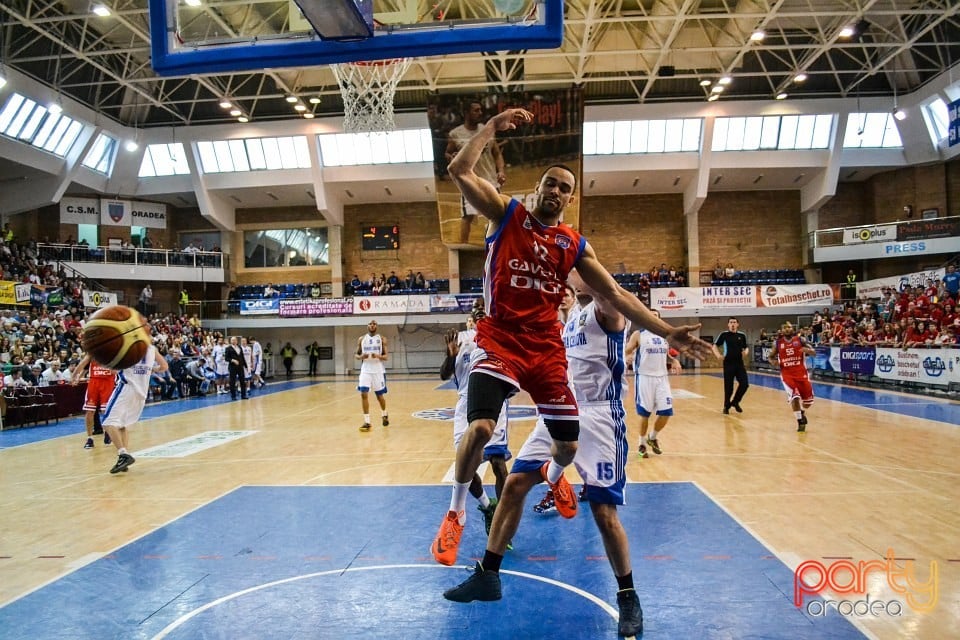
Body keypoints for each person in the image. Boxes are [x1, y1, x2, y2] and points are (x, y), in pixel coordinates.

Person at [435, 107, 716, 601]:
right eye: (549, 182)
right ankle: (459, 518)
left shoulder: (575, 248)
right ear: (537, 187)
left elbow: (622, 297)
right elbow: (459, 171)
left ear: (571, 197)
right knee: (481, 430)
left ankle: (558, 479)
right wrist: (489, 129)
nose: (556, 190)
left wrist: (670, 333)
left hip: (550, 360)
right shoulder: (508, 215)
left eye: (565, 186)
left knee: (568, 456)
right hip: (501, 340)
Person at [445, 279, 644, 637]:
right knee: (515, 484)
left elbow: (608, 293)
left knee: (603, 513)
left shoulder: (607, 311)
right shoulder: (563, 325)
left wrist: (585, 269)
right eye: (564, 282)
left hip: (600, 418)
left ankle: (628, 595)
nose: (567, 283)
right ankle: (488, 573)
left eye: (575, 278)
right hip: (560, 411)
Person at [438, 309, 510, 546]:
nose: (478, 316)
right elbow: (443, 374)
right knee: (466, 466)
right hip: (464, 406)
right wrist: (451, 355)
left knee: (499, 465)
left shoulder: (501, 337)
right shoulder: (460, 342)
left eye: (483, 312)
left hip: (494, 403)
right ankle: (488, 507)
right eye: (474, 314)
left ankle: (501, 522)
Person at [445, 100, 506, 244]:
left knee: (501, 215)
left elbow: (497, 153)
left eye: (480, 110)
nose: (480, 113)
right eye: (476, 110)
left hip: (491, 180)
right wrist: (451, 157)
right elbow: (448, 153)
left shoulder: (486, 130)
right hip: (469, 181)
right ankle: (462, 250)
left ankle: (502, 244)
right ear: (466, 113)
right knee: (467, 217)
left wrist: (501, 171)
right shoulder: (455, 133)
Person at [101, 343, 168, 474]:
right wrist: (151, 369)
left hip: (126, 388)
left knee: (108, 423)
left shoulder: (125, 347)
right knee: (122, 426)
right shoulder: (151, 348)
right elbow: (164, 366)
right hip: (141, 393)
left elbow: (114, 370)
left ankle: (122, 453)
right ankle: (124, 459)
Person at [625, 311, 682, 458]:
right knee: (645, 414)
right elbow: (627, 349)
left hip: (662, 378)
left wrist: (674, 360)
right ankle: (642, 443)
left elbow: (665, 354)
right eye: (650, 315)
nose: (653, 317)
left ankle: (652, 437)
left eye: (656, 315)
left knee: (666, 412)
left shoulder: (664, 336)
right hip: (644, 378)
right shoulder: (638, 334)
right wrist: (627, 355)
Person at [768, 322, 816, 432]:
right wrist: (773, 362)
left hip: (802, 374)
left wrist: (808, 351)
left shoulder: (800, 340)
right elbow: (770, 356)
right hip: (787, 374)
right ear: (782, 331)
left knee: (808, 402)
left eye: (789, 327)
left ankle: (802, 412)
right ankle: (800, 421)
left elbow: (814, 352)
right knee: (795, 397)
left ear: (792, 329)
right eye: (785, 328)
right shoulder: (778, 343)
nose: (787, 329)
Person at [73, 353, 116, 449]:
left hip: (107, 382)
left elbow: (117, 371)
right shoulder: (93, 352)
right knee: (89, 411)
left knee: (106, 411)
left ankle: (108, 431)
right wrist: (74, 376)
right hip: (94, 382)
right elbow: (82, 364)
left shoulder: (113, 352)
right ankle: (89, 438)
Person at [356, 320, 388, 432]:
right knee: (363, 394)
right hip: (365, 369)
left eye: (374, 324)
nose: (372, 325)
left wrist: (378, 356)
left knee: (379, 396)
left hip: (377, 370)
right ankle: (367, 422)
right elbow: (356, 354)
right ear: (367, 326)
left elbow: (386, 356)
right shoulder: (361, 339)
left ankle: (384, 414)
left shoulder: (382, 339)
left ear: (376, 326)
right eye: (370, 323)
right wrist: (361, 357)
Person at [715, 317, 749, 414]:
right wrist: (718, 355)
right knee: (729, 387)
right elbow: (714, 345)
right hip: (728, 363)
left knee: (745, 384)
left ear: (738, 324)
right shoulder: (724, 335)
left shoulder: (742, 335)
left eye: (734, 322)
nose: (733, 324)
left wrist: (746, 352)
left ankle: (735, 402)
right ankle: (726, 406)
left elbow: (746, 347)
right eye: (731, 322)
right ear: (728, 324)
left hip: (739, 363)